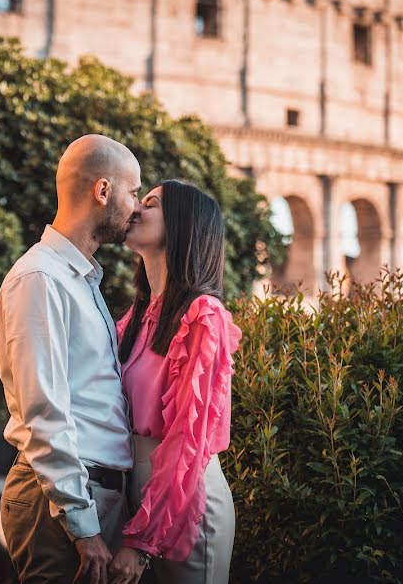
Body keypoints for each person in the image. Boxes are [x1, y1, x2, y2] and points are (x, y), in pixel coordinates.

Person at [0, 134, 142, 583]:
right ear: (102, 191)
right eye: (133, 192)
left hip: (89, 499)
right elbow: (44, 412)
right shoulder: (40, 278)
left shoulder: (79, 279)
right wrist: (83, 526)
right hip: (58, 506)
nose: (137, 207)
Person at [108, 179, 243, 584]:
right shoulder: (137, 317)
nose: (135, 208)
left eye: (150, 203)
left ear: (183, 224)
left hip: (188, 508)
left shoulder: (204, 316)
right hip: (137, 499)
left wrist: (140, 541)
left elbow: (188, 439)